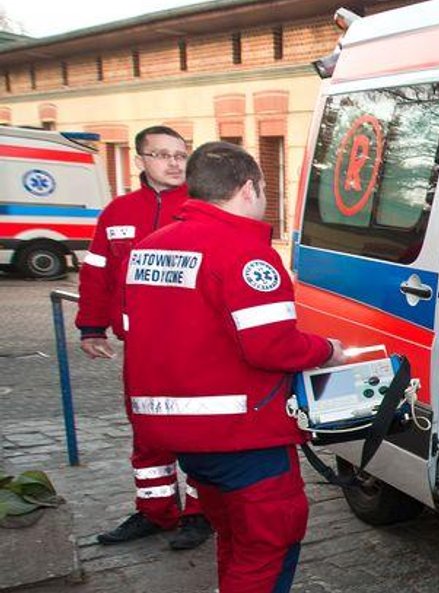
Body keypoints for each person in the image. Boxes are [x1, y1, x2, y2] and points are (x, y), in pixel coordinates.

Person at [122, 141, 347, 593]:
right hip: (241, 433)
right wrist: (328, 350)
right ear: (248, 188)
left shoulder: (150, 248)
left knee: (234, 537)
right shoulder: (245, 253)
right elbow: (272, 346)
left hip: (177, 434)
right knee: (269, 542)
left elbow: (136, 328)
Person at [75, 125, 213, 549]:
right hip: (142, 350)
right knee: (148, 431)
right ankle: (155, 512)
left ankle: (200, 512)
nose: (174, 163)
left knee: (199, 430)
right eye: (162, 155)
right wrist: (91, 326)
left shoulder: (203, 206)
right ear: (141, 161)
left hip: (194, 345)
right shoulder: (117, 212)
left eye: (180, 154)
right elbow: (97, 273)